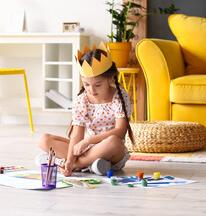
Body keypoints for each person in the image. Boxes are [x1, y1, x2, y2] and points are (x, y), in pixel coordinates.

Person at [36, 42, 135, 176]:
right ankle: (92, 165)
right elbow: (77, 135)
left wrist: (87, 142)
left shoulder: (119, 96)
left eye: (98, 85)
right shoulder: (82, 100)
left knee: (113, 142)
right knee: (44, 139)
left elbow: (120, 132)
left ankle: (76, 165)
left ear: (110, 78)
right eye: (86, 84)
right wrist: (71, 158)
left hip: (110, 150)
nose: (91, 90)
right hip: (87, 150)